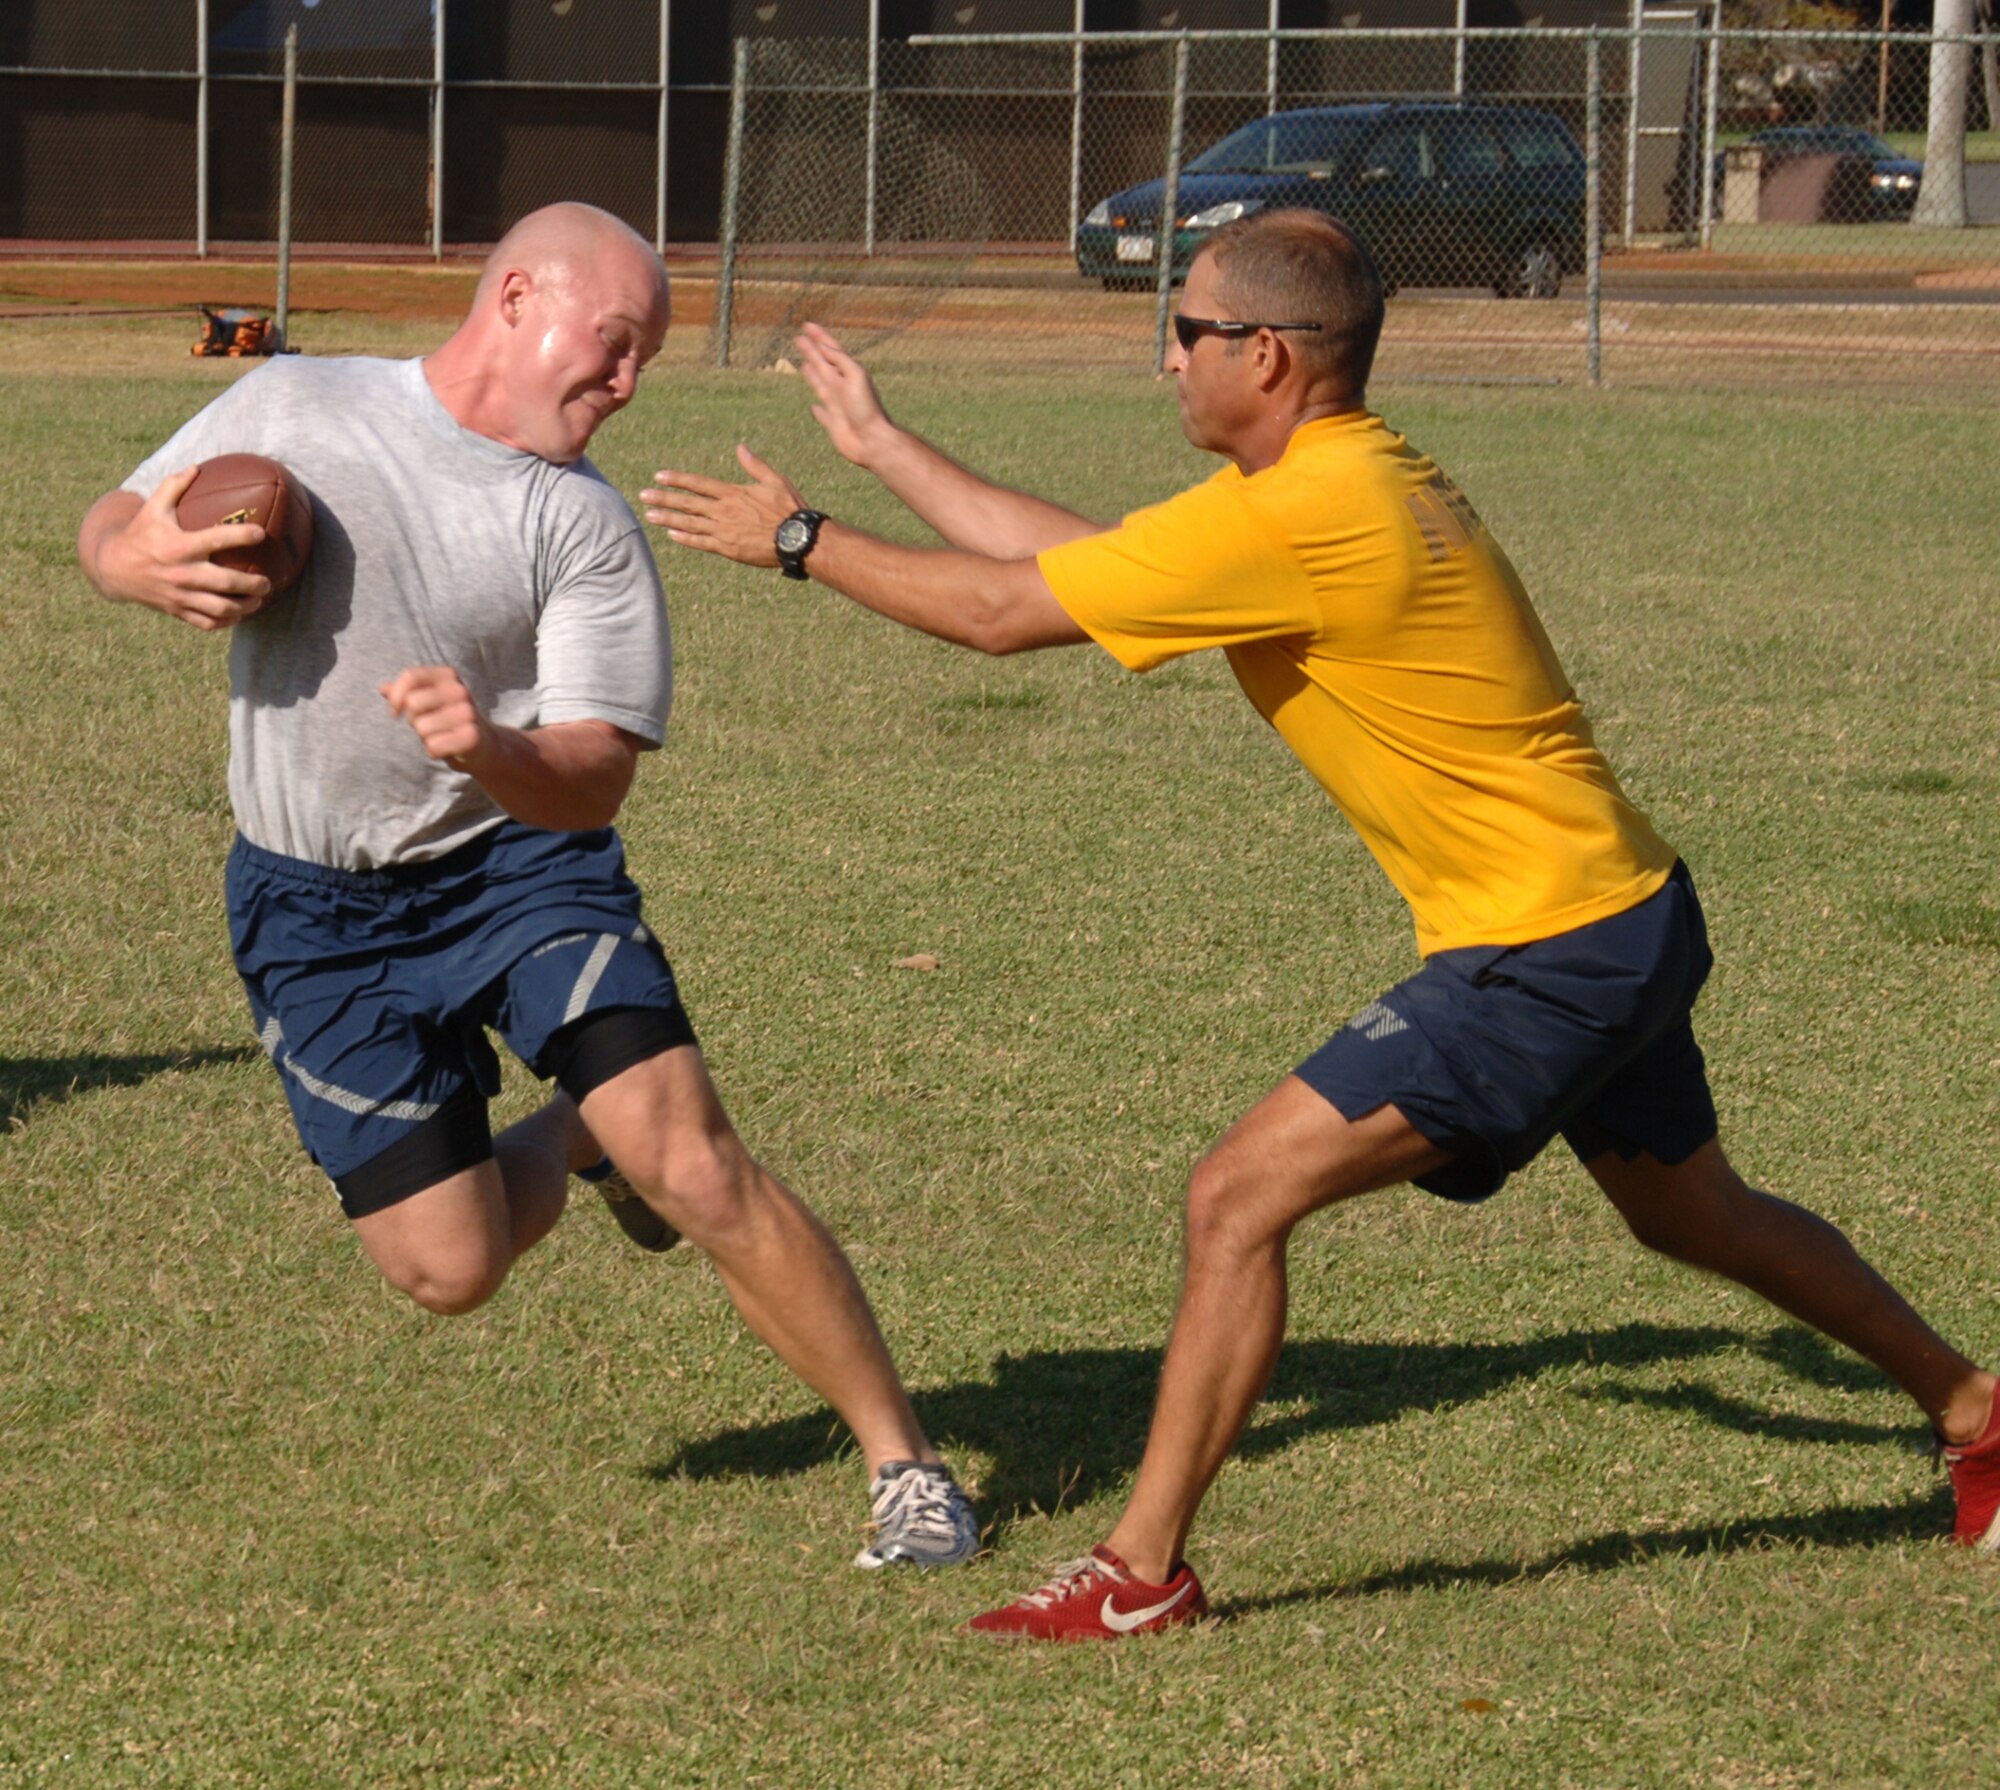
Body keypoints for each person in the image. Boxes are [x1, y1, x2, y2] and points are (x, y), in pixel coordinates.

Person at [639, 208, 2000, 1637]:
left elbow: (996, 615)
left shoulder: (1308, 510)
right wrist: (884, 451)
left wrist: (799, 538)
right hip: (1623, 904)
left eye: (1186, 332)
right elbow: (1091, 568)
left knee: (1238, 1194)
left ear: (1267, 357)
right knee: (1693, 1209)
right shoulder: (1339, 479)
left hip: (1545, 946)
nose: (1165, 358)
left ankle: (1139, 1572)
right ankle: (1977, 1411)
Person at [75, 201, 978, 1572]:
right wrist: (127, 558)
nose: (626, 386)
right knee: (451, 1267)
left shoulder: (583, 526)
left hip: (518, 867)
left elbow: (594, 777)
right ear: (513, 301)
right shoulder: (300, 403)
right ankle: (572, 1138)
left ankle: (905, 1465)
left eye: (642, 366)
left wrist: (486, 747)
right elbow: (117, 520)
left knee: (695, 1159)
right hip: (314, 907)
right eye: (613, 349)